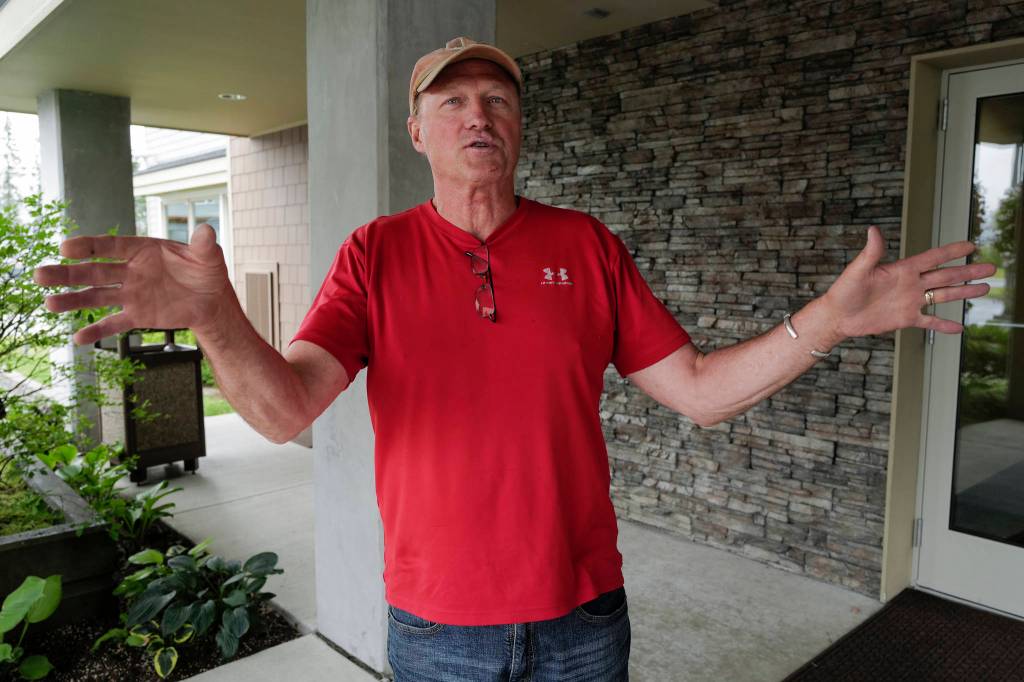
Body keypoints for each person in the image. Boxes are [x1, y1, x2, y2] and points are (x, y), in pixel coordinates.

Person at [33, 36, 994, 681]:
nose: (476, 113)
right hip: (437, 629)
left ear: (521, 126)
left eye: (497, 97)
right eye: (450, 101)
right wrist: (215, 318)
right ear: (418, 133)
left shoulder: (586, 245)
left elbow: (698, 392)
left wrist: (827, 318)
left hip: (584, 615)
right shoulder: (375, 253)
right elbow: (286, 411)